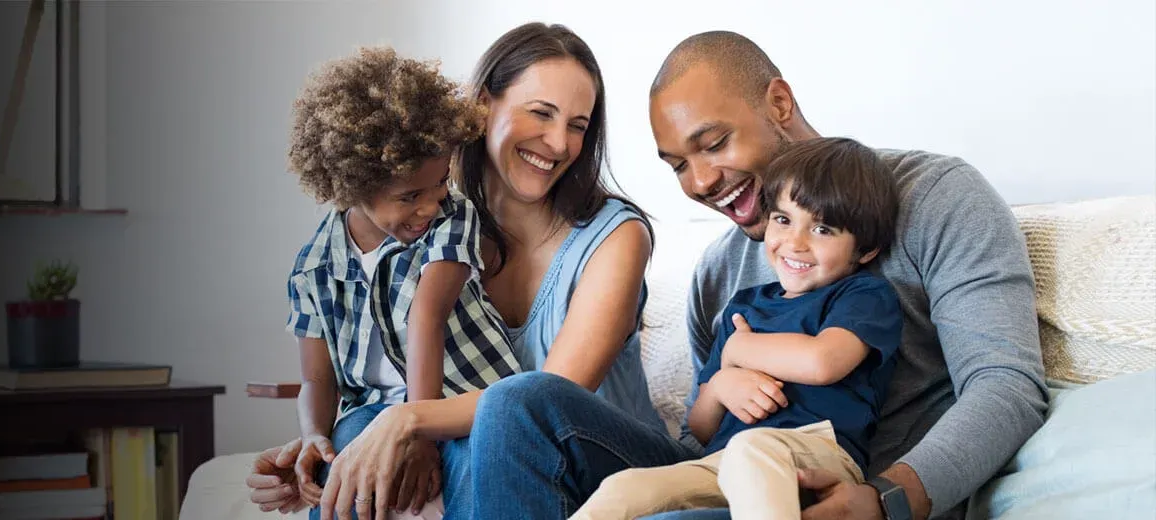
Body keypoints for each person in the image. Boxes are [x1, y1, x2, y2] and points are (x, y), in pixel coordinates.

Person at [465, 29, 1050, 520]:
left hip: (846, 484)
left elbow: (1007, 386)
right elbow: (703, 434)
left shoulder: (937, 198)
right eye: (678, 166)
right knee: (519, 402)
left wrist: (885, 499)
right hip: (723, 480)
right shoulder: (718, 272)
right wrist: (720, 389)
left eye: (713, 144)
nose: (698, 182)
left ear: (778, 103)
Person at [247, 22, 660, 520]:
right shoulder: (424, 223)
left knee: (510, 412)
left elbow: (545, 406)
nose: (558, 142)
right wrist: (328, 454)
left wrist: (407, 421)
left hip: (603, 462)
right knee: (362, 453)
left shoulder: (615, 236)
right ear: (483, 105)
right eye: (541, 113)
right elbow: (371, 370)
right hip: (496, 455)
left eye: (577, 124)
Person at [570, 136, 904, 520]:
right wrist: (722, 387)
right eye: (783, 220)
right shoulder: (745, 307)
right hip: (726, 460)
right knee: (624, 487)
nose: (795, 243)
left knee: (752, 451)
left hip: (816, 455)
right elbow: (700, 427)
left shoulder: (862, 294)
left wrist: (737, 353)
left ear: (865, 251)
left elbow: (823, 362)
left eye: (823, 229)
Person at [271, 45, 526, 520]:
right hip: (373, 410)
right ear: (352, 185)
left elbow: (425, 318)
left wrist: (420, 432)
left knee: (476, 459)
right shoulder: (313, 268)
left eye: (439, 186)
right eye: (409, 196)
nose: (429, 207)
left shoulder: (453, 218)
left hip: (464, 399)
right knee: (343, 456)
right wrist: (313, 436)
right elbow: (316, 377)